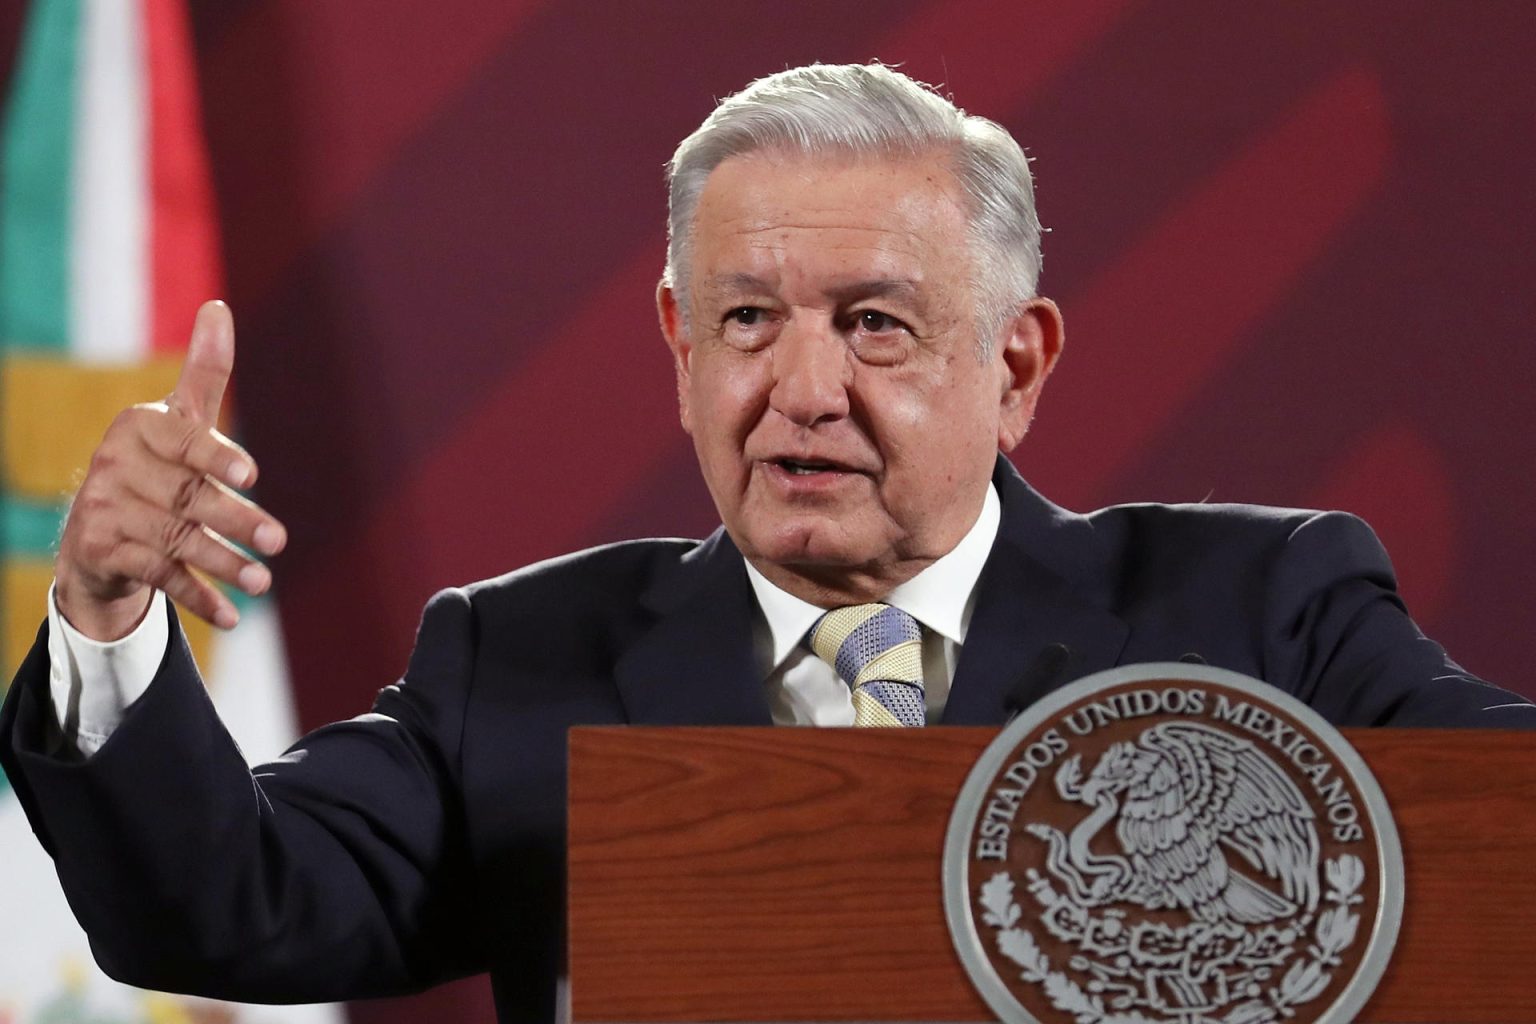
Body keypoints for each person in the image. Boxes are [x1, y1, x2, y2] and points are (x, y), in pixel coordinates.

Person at [2, 63, 1530, 1023]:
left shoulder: (1265, 616)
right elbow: (222, 906)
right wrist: (104, 620)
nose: (801, 391)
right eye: (746, 322)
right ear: (678, 342)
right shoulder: (522, 662)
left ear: (1017, 368)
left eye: (875, 325)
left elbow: (1510, 842)